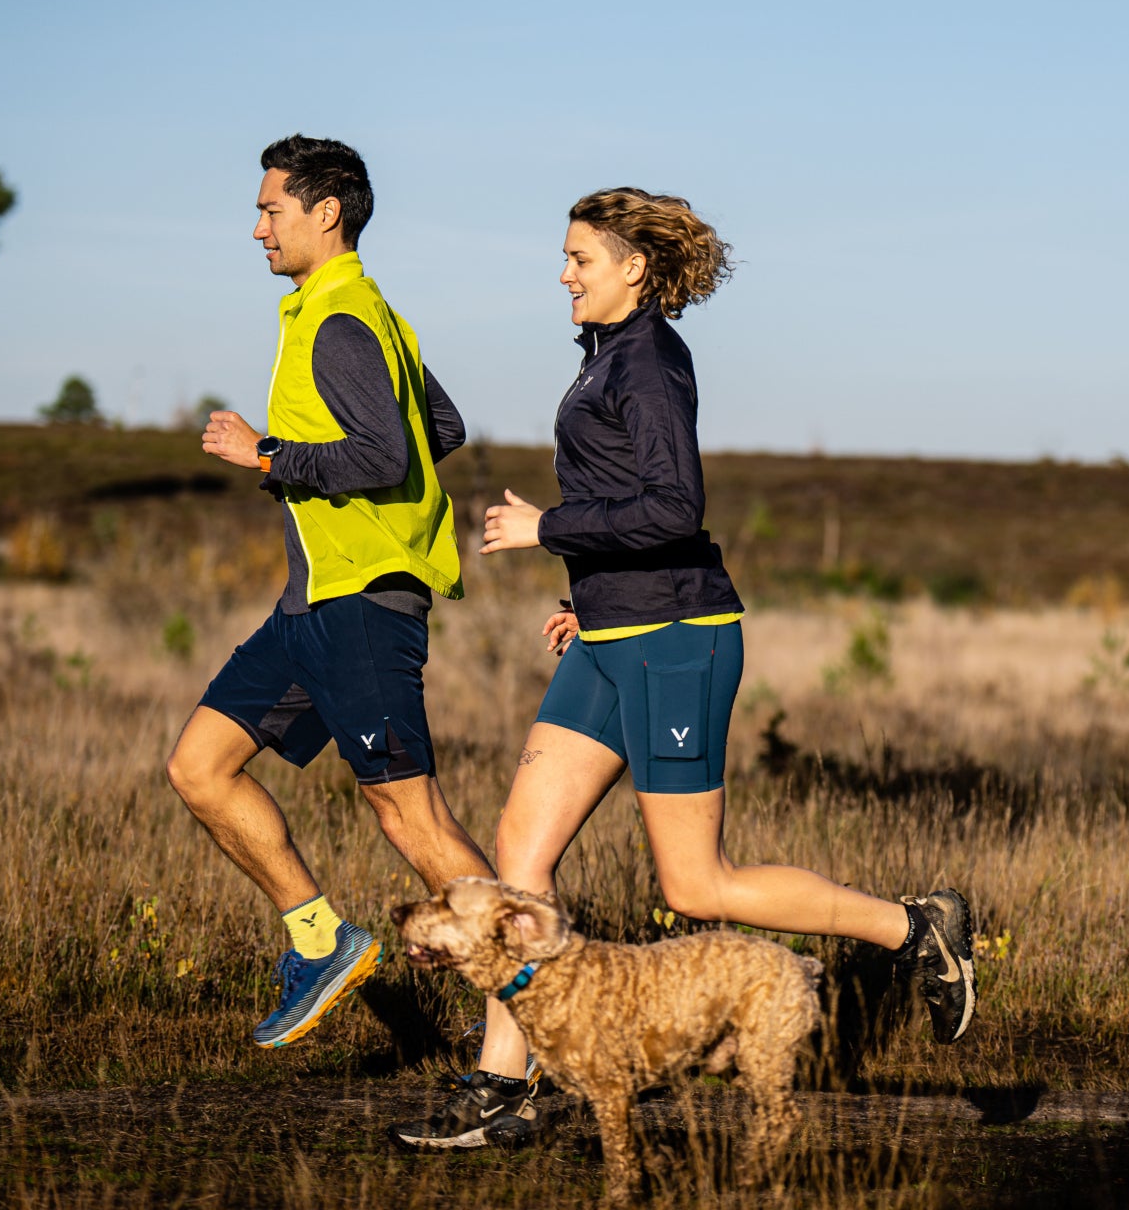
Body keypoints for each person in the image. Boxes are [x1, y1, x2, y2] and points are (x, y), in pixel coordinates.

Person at [389, 187, 974, 1152]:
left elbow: (672, 506)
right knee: (521, 855)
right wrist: (589, 596)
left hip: (677, 639)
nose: (564, 273)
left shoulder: (652, 361)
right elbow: (629, 505)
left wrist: (547, 528)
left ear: (634, 269)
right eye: (566, 257)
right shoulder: (603, 360)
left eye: (581, 258)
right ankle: (506, 1085)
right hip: (615, 636)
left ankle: (912, 929)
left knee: (695, 885)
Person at [168, 135, 493, 1049]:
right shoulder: (357, 313)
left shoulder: (343, 318)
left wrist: (266, 453)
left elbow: (390, 453)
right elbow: (443, 427)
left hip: (361, 605)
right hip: (310, 603)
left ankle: (535, 1003)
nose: (258, 227)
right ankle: (321, 943)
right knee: (199, 766)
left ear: (327, 213)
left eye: (272, 209)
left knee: (408, 812)